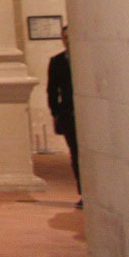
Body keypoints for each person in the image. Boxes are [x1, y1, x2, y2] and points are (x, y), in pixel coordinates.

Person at [46, 24, 82, 208]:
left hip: (86, 113)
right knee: (76, 154)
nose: (67, 40)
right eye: (64, 37)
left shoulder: (85, 58)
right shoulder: (57, 61)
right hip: (69, 114)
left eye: (70, 36)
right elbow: (52, 90)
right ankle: (84, 192)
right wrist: (56, 112)